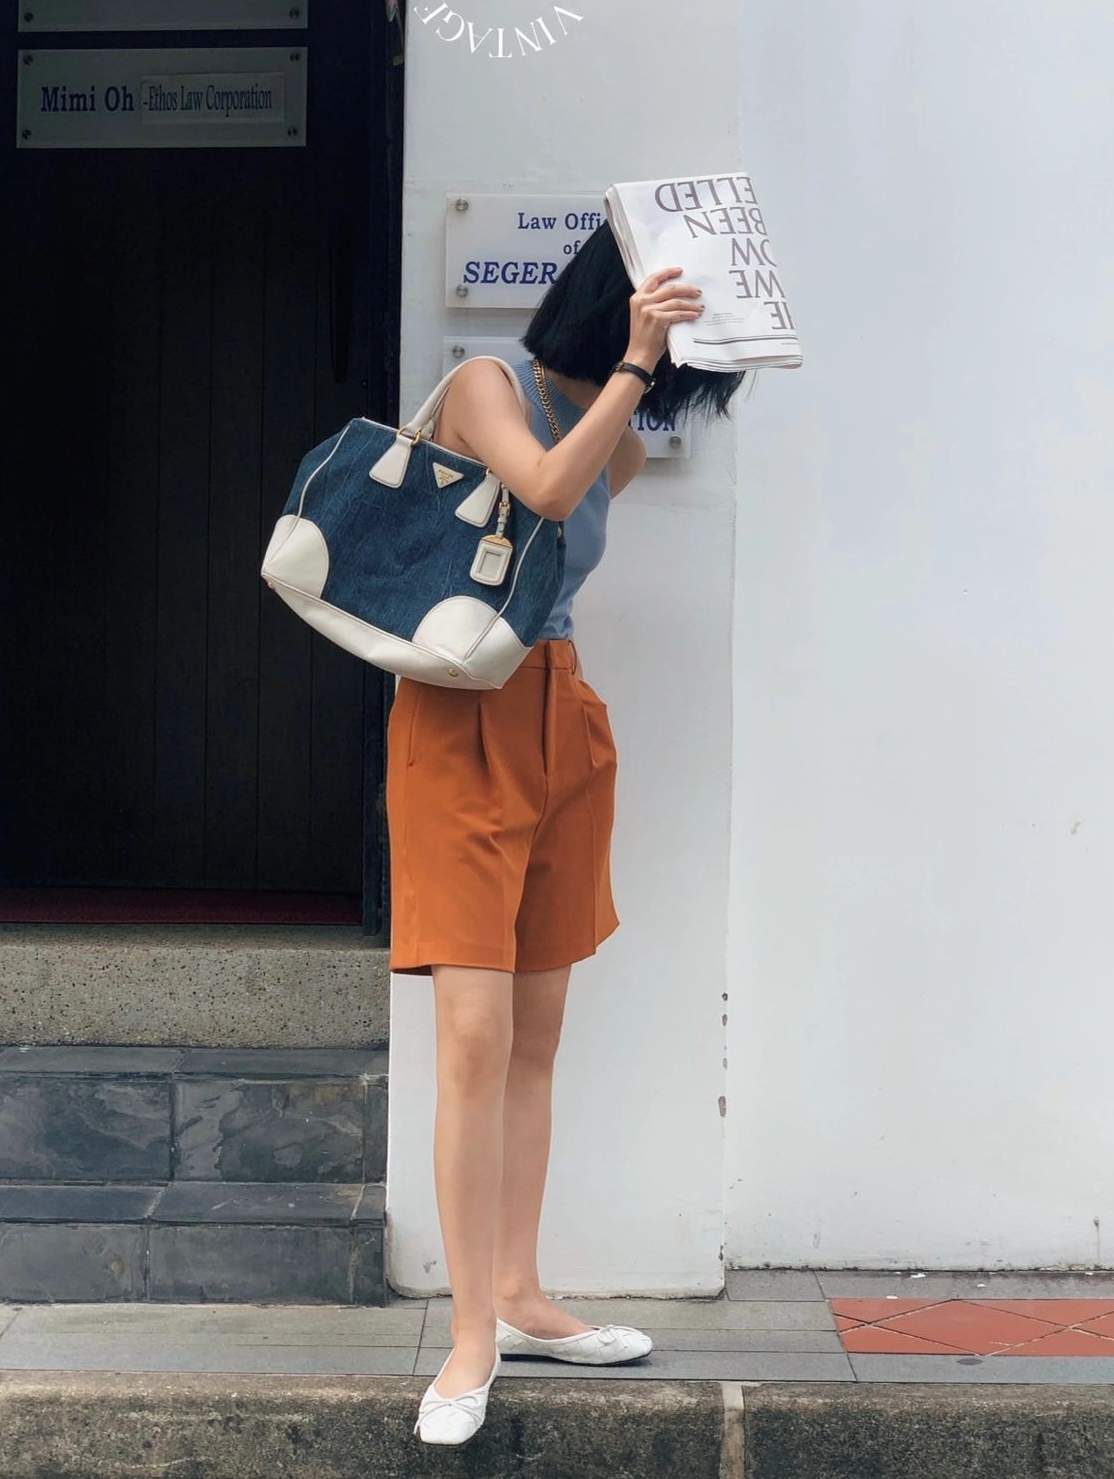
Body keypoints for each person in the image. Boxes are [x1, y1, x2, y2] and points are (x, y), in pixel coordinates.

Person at [386, 221, 747, 1445]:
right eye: (671, 357)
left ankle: (518, 1292)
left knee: (535, 1038)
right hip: (456, 718)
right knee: (471, 1037)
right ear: (616, 311)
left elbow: (579, 510)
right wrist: (638, 361)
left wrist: (635, 388)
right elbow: (539, 490)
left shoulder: (617, 440)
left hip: (559, 713)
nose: (669, 388)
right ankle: (466, 1337)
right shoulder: (484, 386)